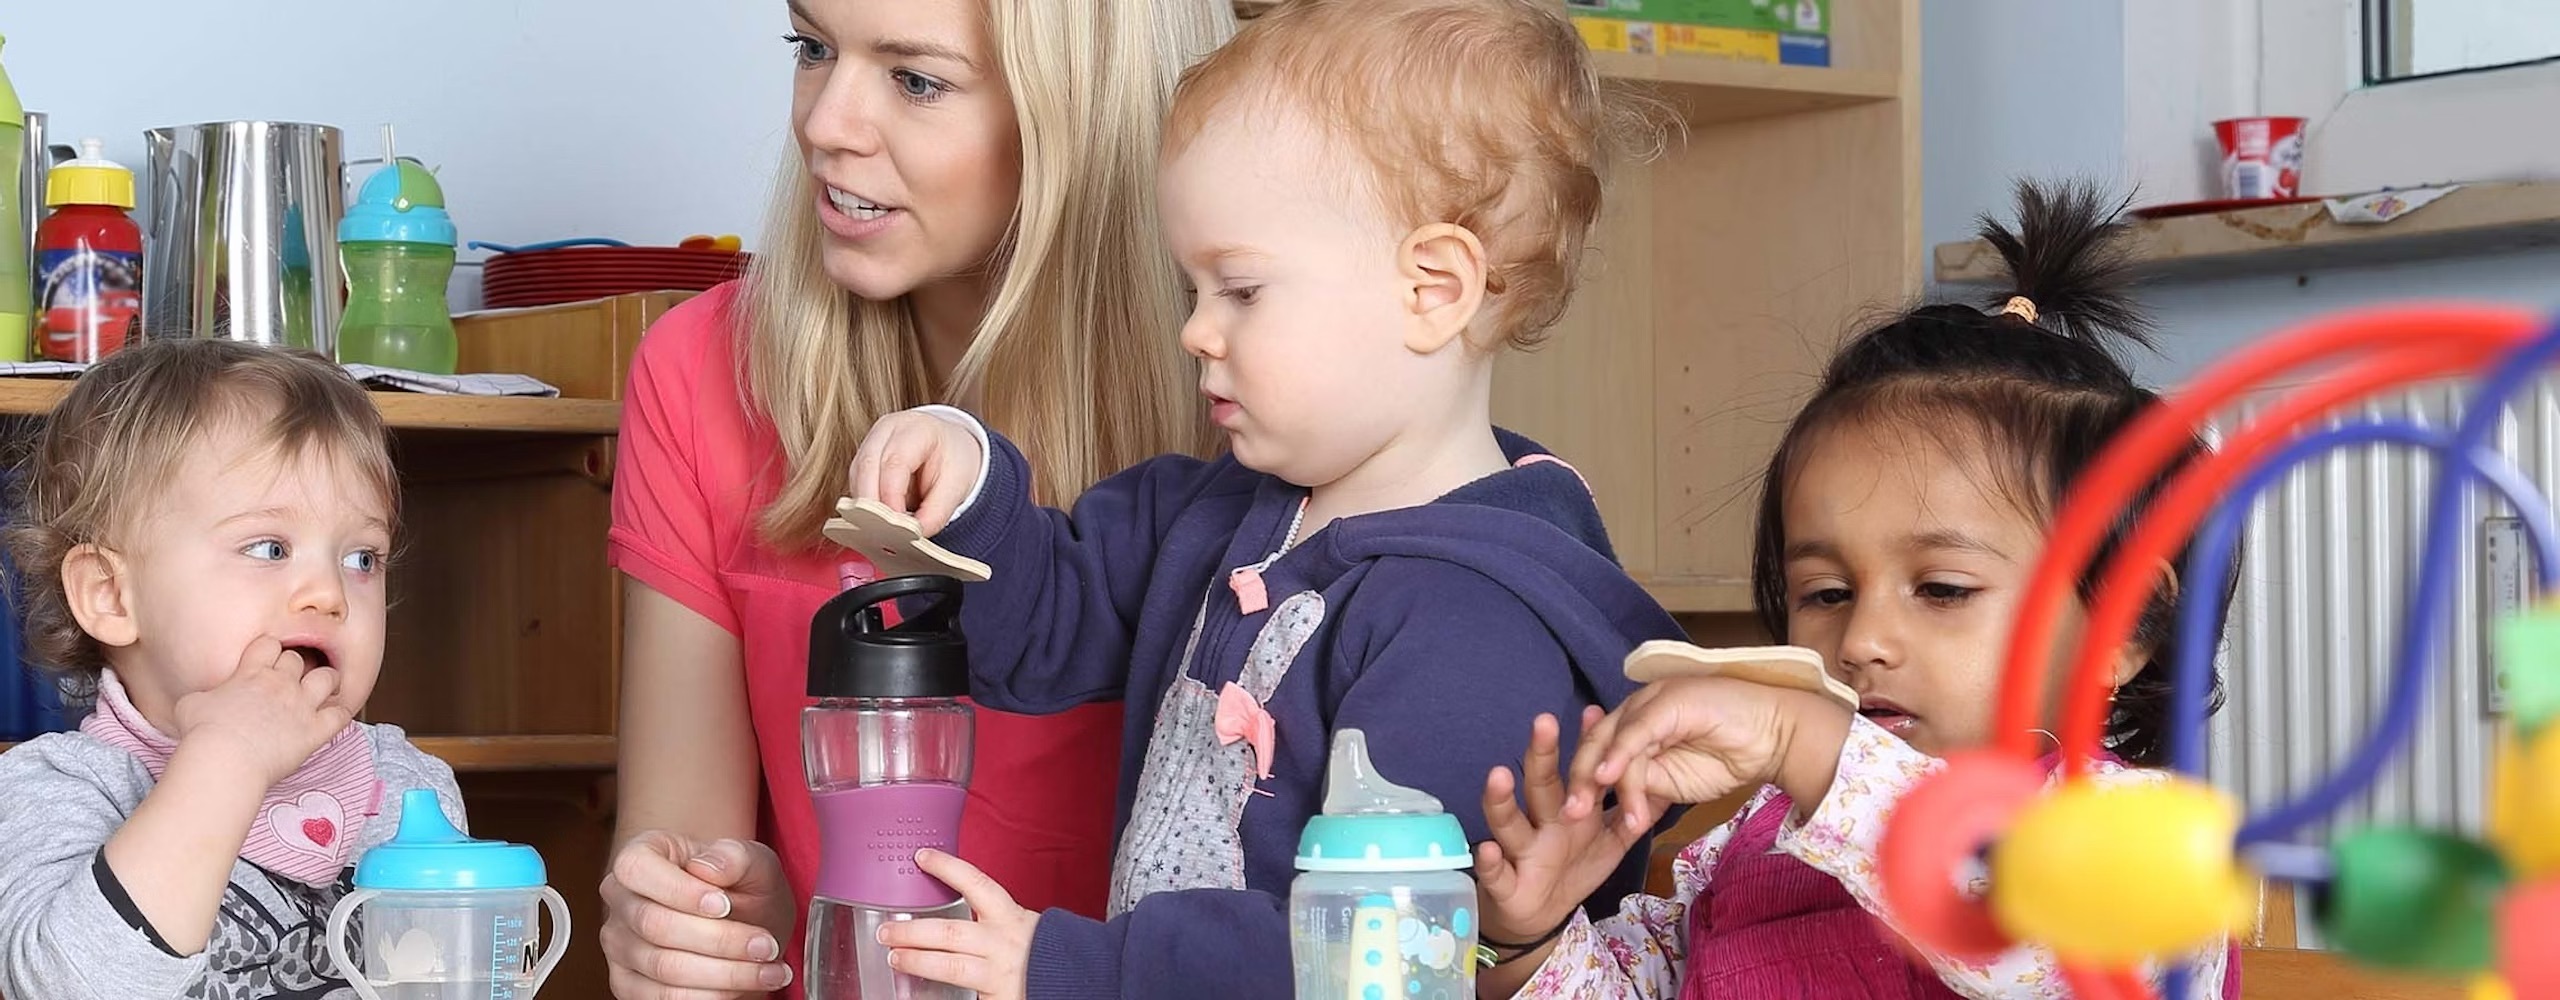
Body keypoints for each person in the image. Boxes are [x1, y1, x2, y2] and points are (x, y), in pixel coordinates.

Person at [846, 1, 1682, 996]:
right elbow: (1043, 630)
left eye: (1240, 290)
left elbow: (1389, 958)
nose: (1196, 331)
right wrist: (969, 481)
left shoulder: (1475, 624)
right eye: (1190, 288)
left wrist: (1072, 964)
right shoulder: (1209, 511)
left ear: (1432, 289)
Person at [597, 0, 1236, 996]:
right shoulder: (704, 374)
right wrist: (695, 927)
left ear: (1082, 116)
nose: (824, 124)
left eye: (915, 79)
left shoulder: (1263, 415)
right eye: (812, 48)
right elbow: (679, 865)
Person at [1471, 181, 2246, 999]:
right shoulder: (1764, 834)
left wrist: (1806, 743)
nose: (1862, 640)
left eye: (1943, 589)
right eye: (1827, 593)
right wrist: (1527, 942)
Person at [0, 339, 467, 999]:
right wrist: (228, 760)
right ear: (110, 595)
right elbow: (69, 987)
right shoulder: (57, 793)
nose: (329, 594)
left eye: (362, 557)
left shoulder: (407, 785)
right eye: (269, 547)